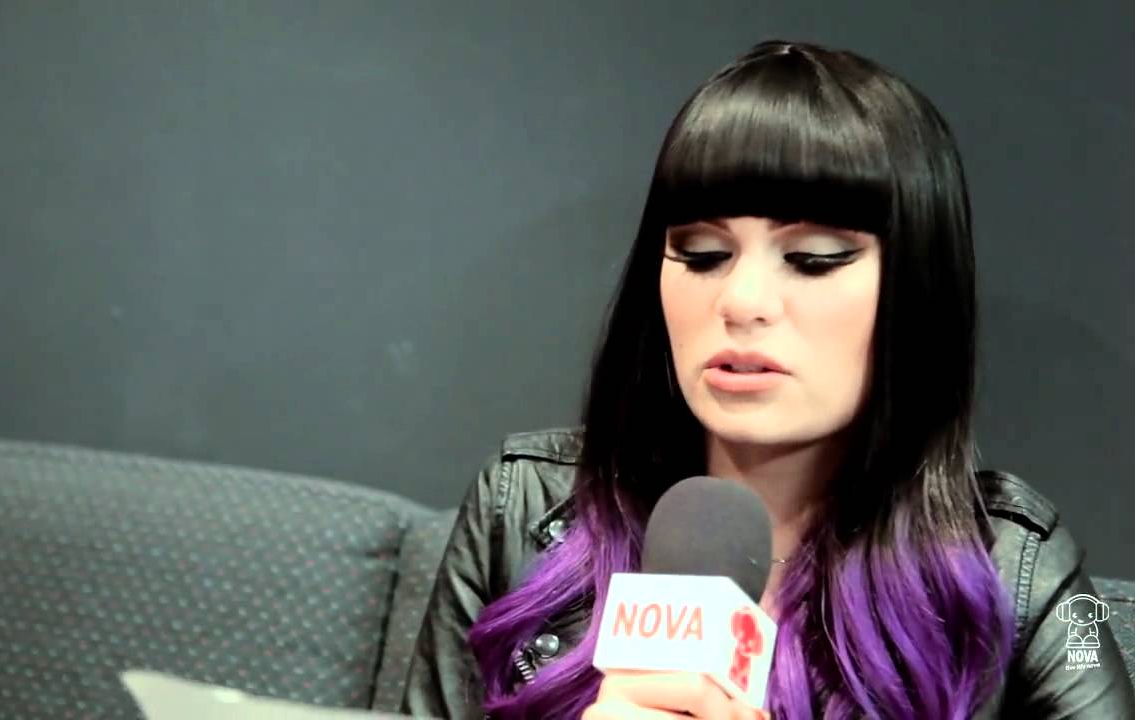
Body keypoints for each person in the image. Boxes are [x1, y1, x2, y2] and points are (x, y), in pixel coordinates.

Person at [399, 39, 1135, 719]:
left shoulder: (1030, 568)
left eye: (813, 259)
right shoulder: (519, 505)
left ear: (917, 289)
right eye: (701, 254)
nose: (742, 301)